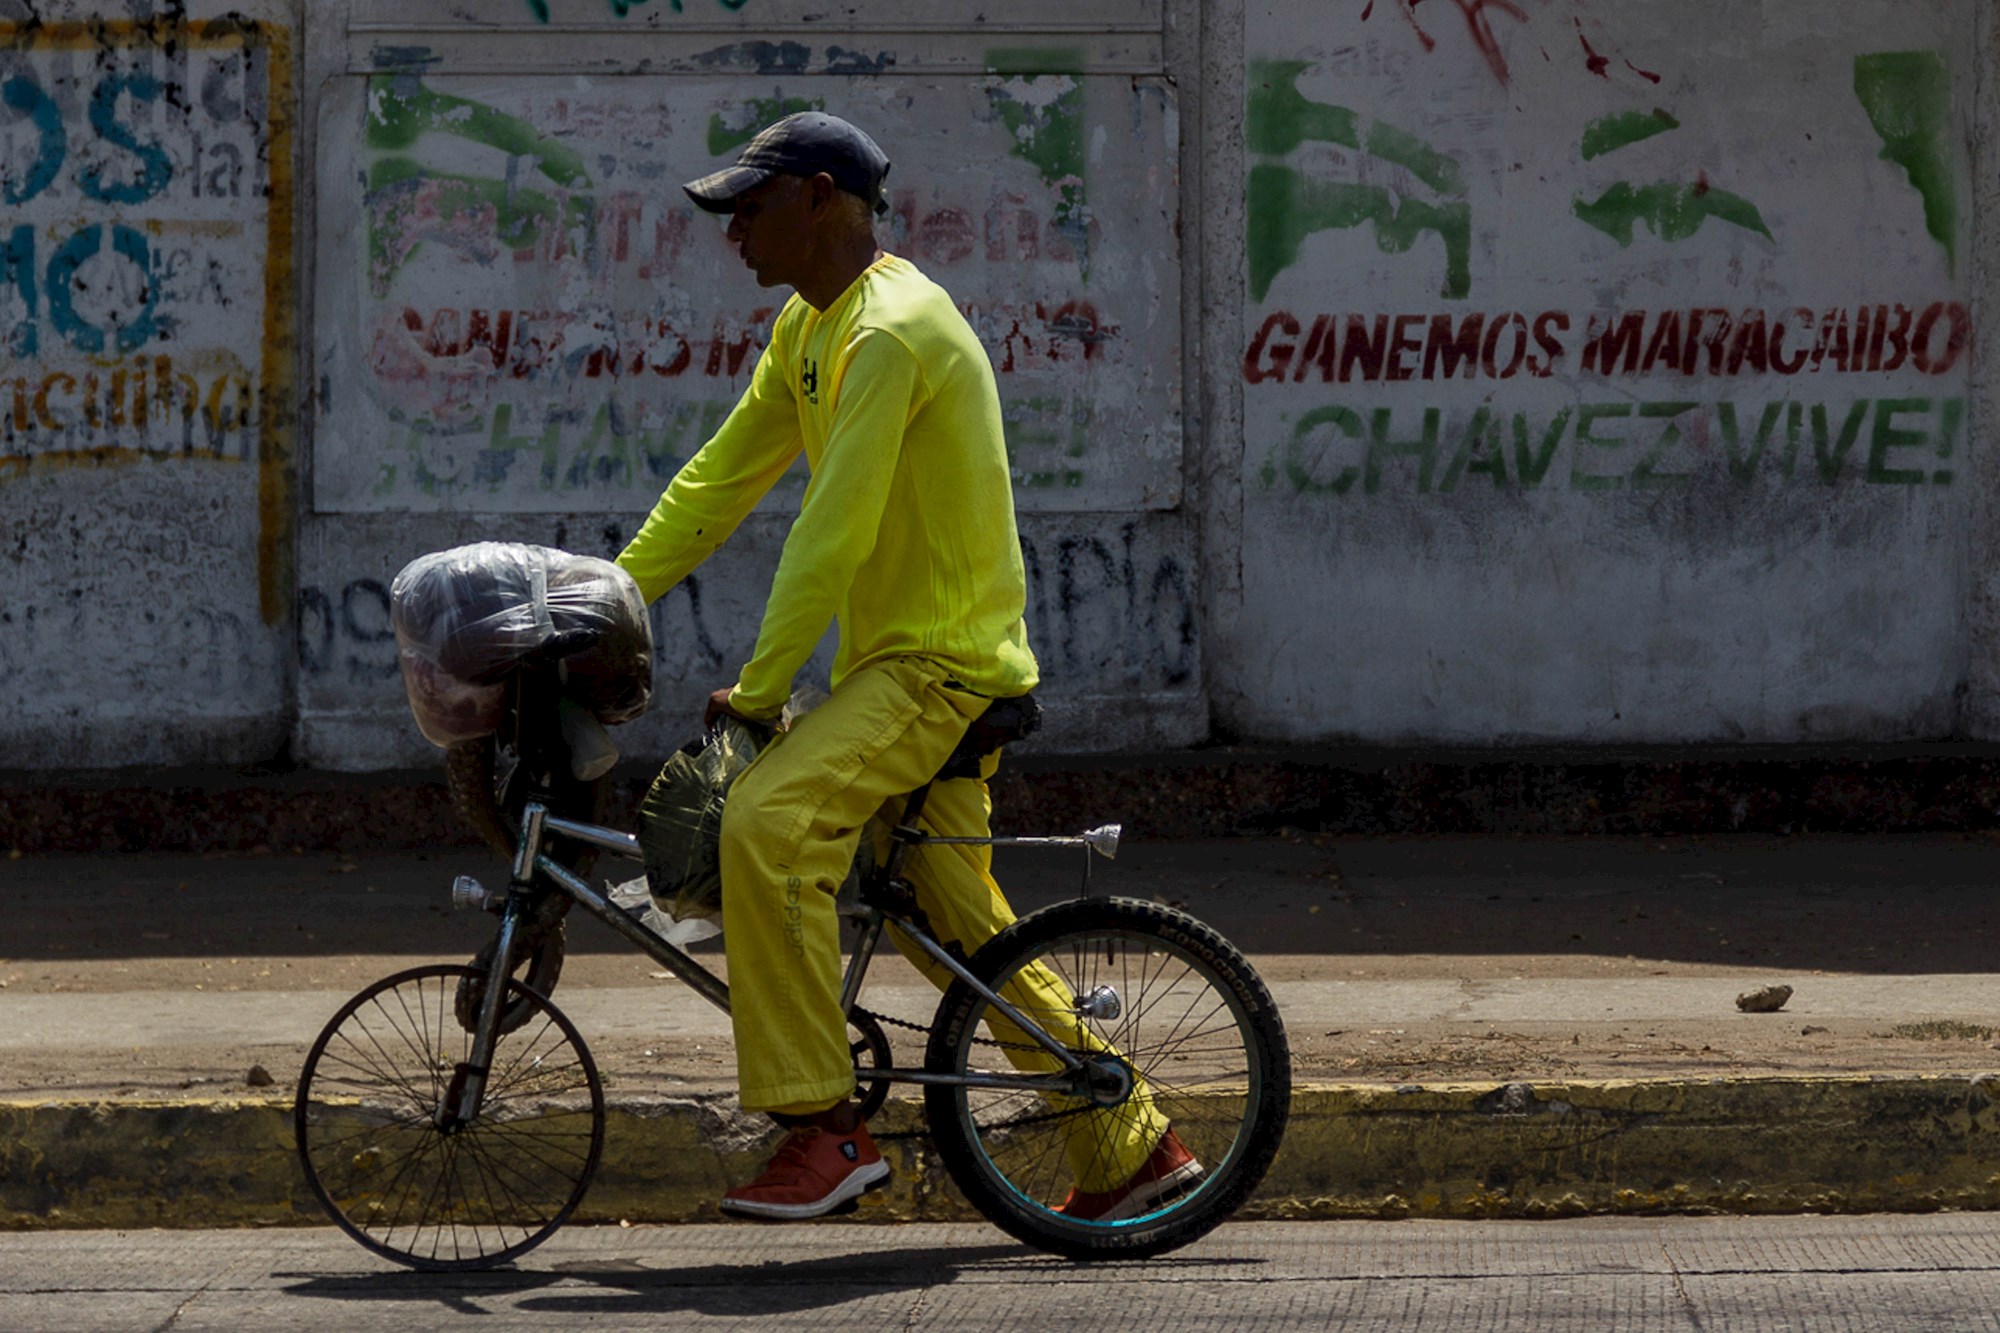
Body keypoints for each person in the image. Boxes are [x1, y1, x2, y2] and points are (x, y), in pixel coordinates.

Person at [615, 112, 1196, 1222]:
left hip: (935, 669)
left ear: (822, 197)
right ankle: (1132, 1142)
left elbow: (829, 530)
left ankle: (820, 1131)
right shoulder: (809, 328)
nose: (732, 230)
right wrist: (601, 599)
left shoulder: (887, 330)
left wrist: (763, 688)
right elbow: (715, 484)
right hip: (912, 668)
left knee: (768, 826)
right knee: (949, 917)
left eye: (752, 205)